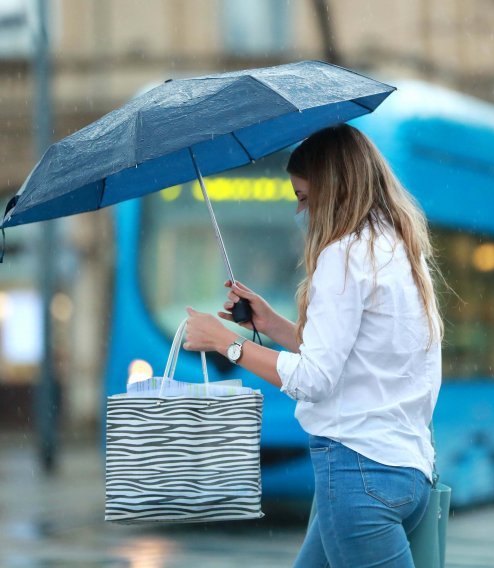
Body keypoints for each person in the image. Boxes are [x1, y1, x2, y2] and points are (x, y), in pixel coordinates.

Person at [183, 124, 444, 567]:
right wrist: (271, 324)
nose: (301, 212)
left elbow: (315, 379)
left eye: (304, 197)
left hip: (359, 476)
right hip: (408, 472)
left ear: (334, 191)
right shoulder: (400, 248)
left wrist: (226, 342)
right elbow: (357, 353)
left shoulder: (342, 255)